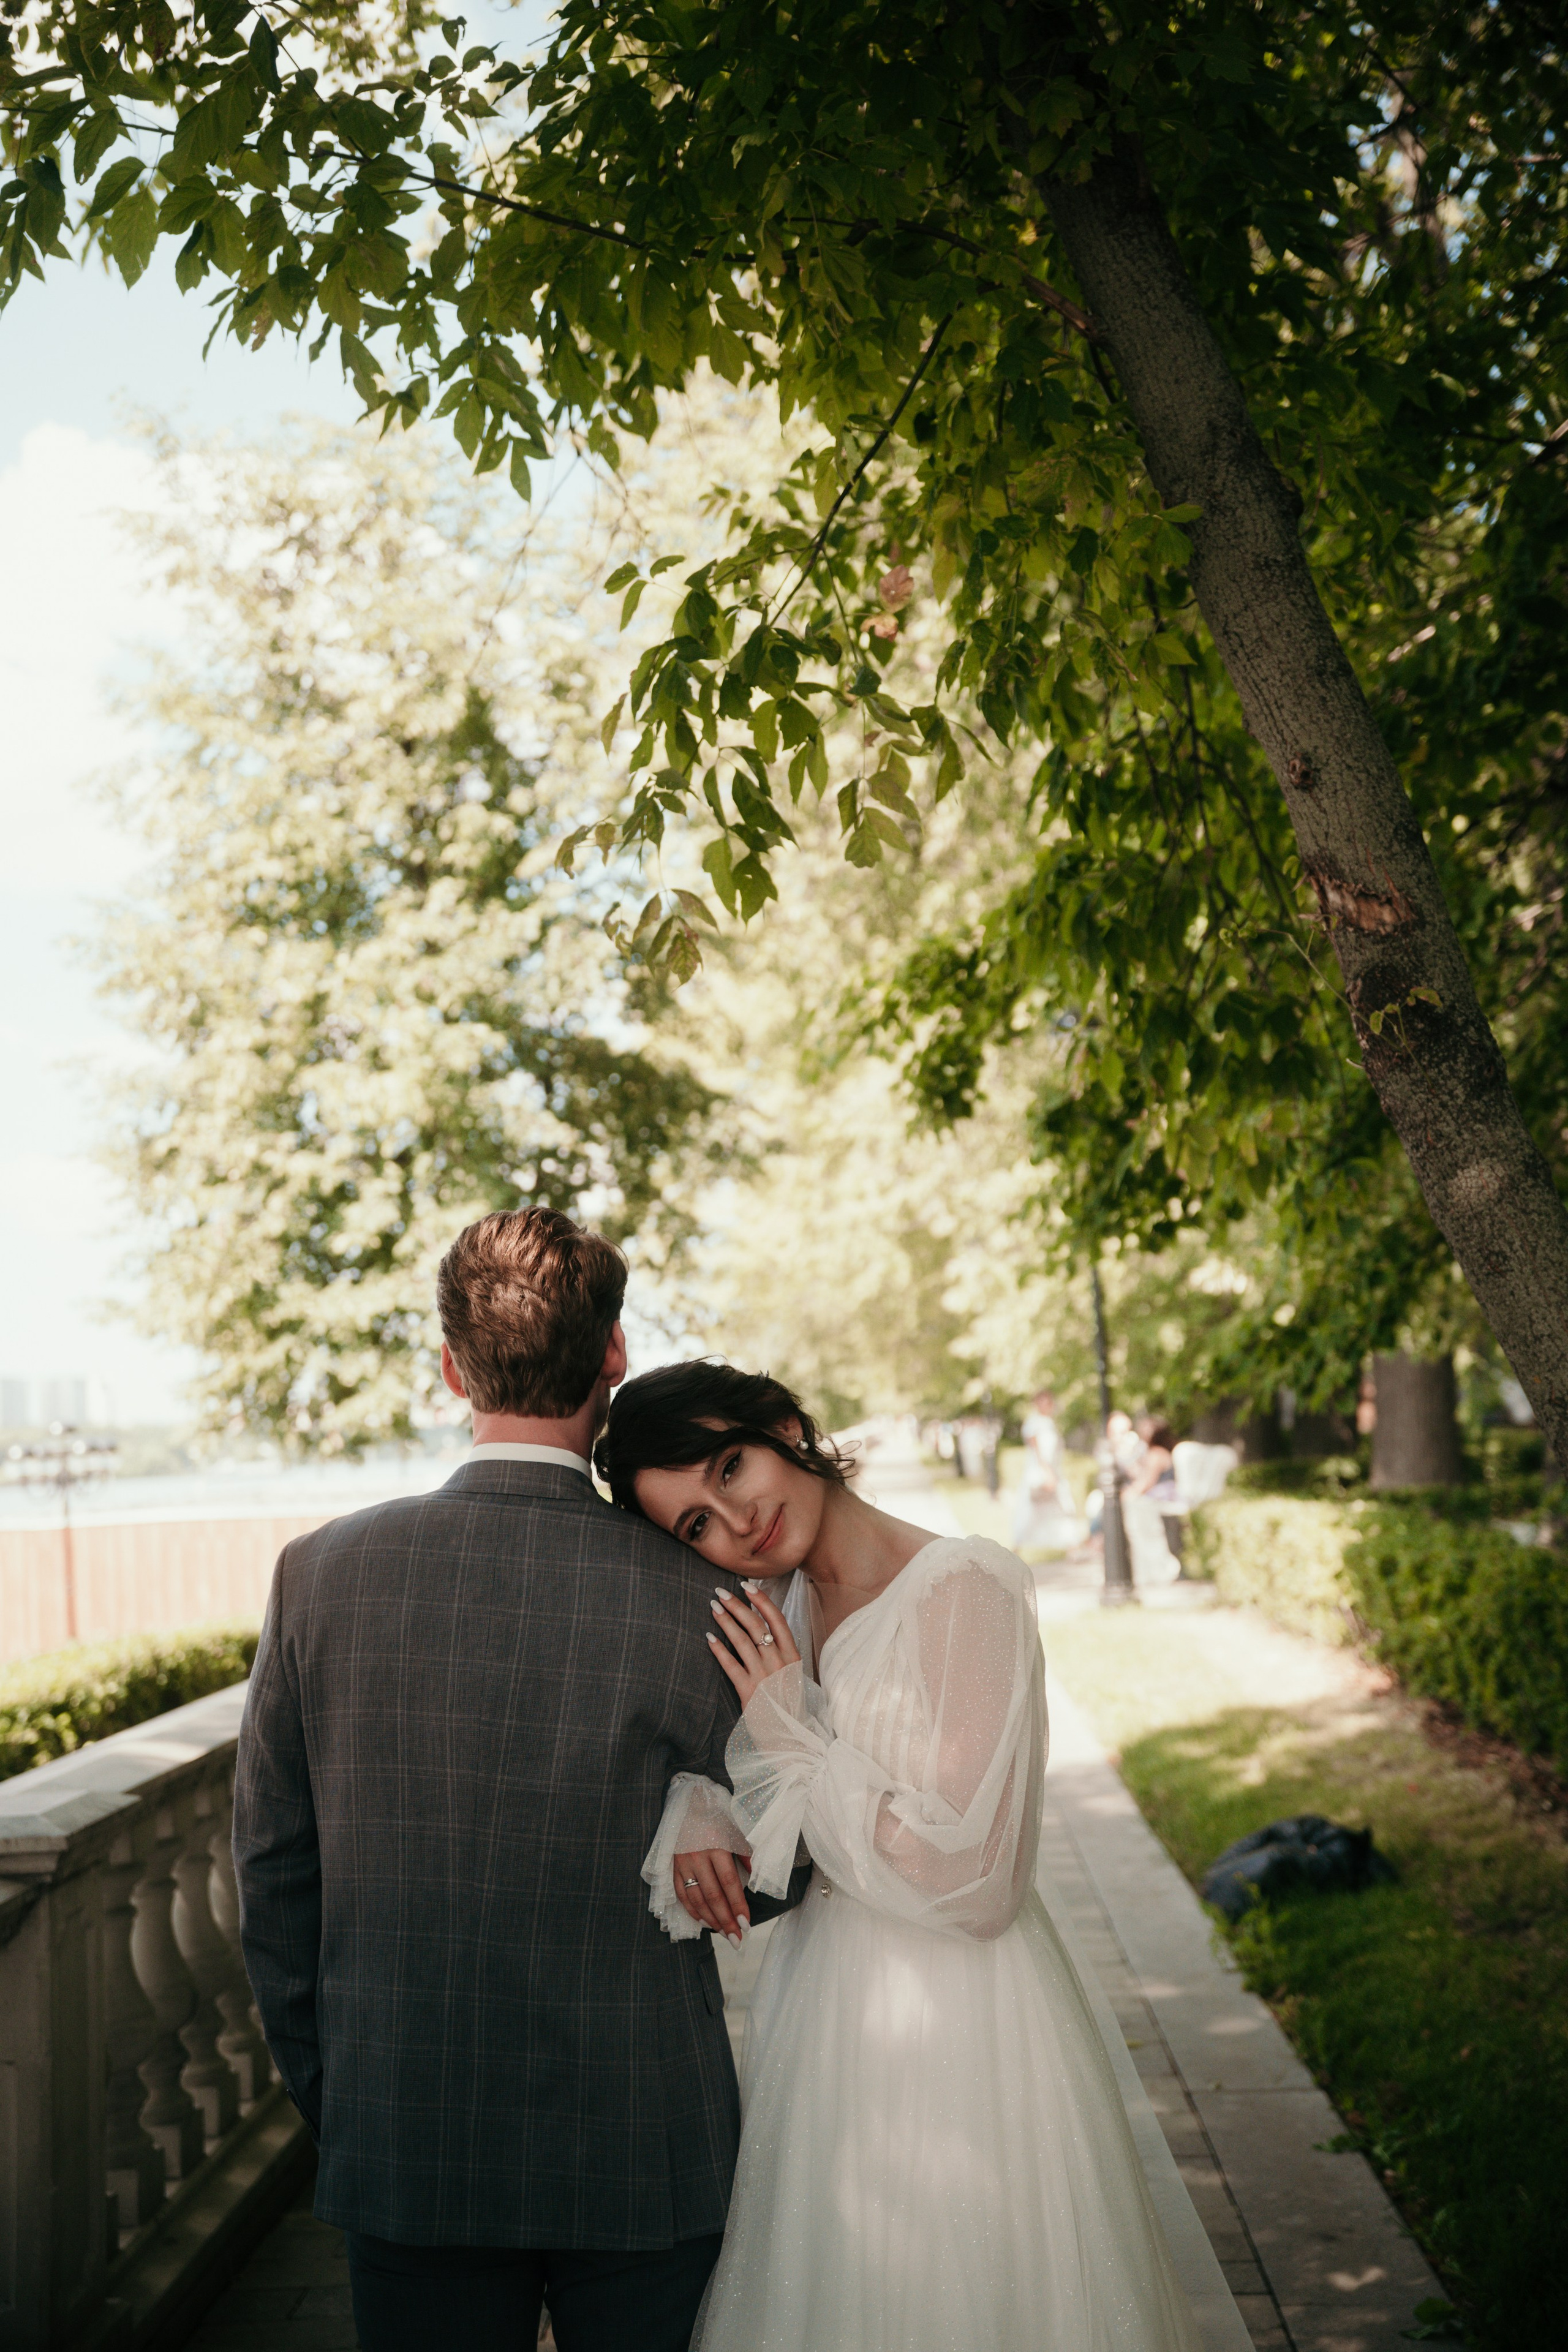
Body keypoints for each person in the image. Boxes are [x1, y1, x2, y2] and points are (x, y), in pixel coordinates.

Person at [232, 1210, 803, 2352]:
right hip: (649, 2139)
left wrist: (344, 2101)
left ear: (452, 1367)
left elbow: (273, 1878)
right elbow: (783, 1864)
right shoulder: (702, 1595)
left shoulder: (319, 1576)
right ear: (614, 1355)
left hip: (408, 2131)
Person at [596, 1362, 1205, 2352]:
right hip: (826, 2009)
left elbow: (978, 1881)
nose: (733, 1519)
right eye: (696, 1524)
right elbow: (769, 1791)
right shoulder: (772, 1617)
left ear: (785, 1424)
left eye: (730, 1466)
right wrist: (701, 1808)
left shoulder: (966, 1585)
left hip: (963, 2011)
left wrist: (793, 1740)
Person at [1010, 1385, 1084, 1555]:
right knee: (1030, 1513)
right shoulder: (1034, 1423)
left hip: (1052, 1471)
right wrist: (1047, 1472)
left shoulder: (1049, 1423)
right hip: (1041, 1473)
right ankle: (1015, 1550)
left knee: (1063, 1508)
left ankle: (1073, 1548)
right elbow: (1037, 1450)